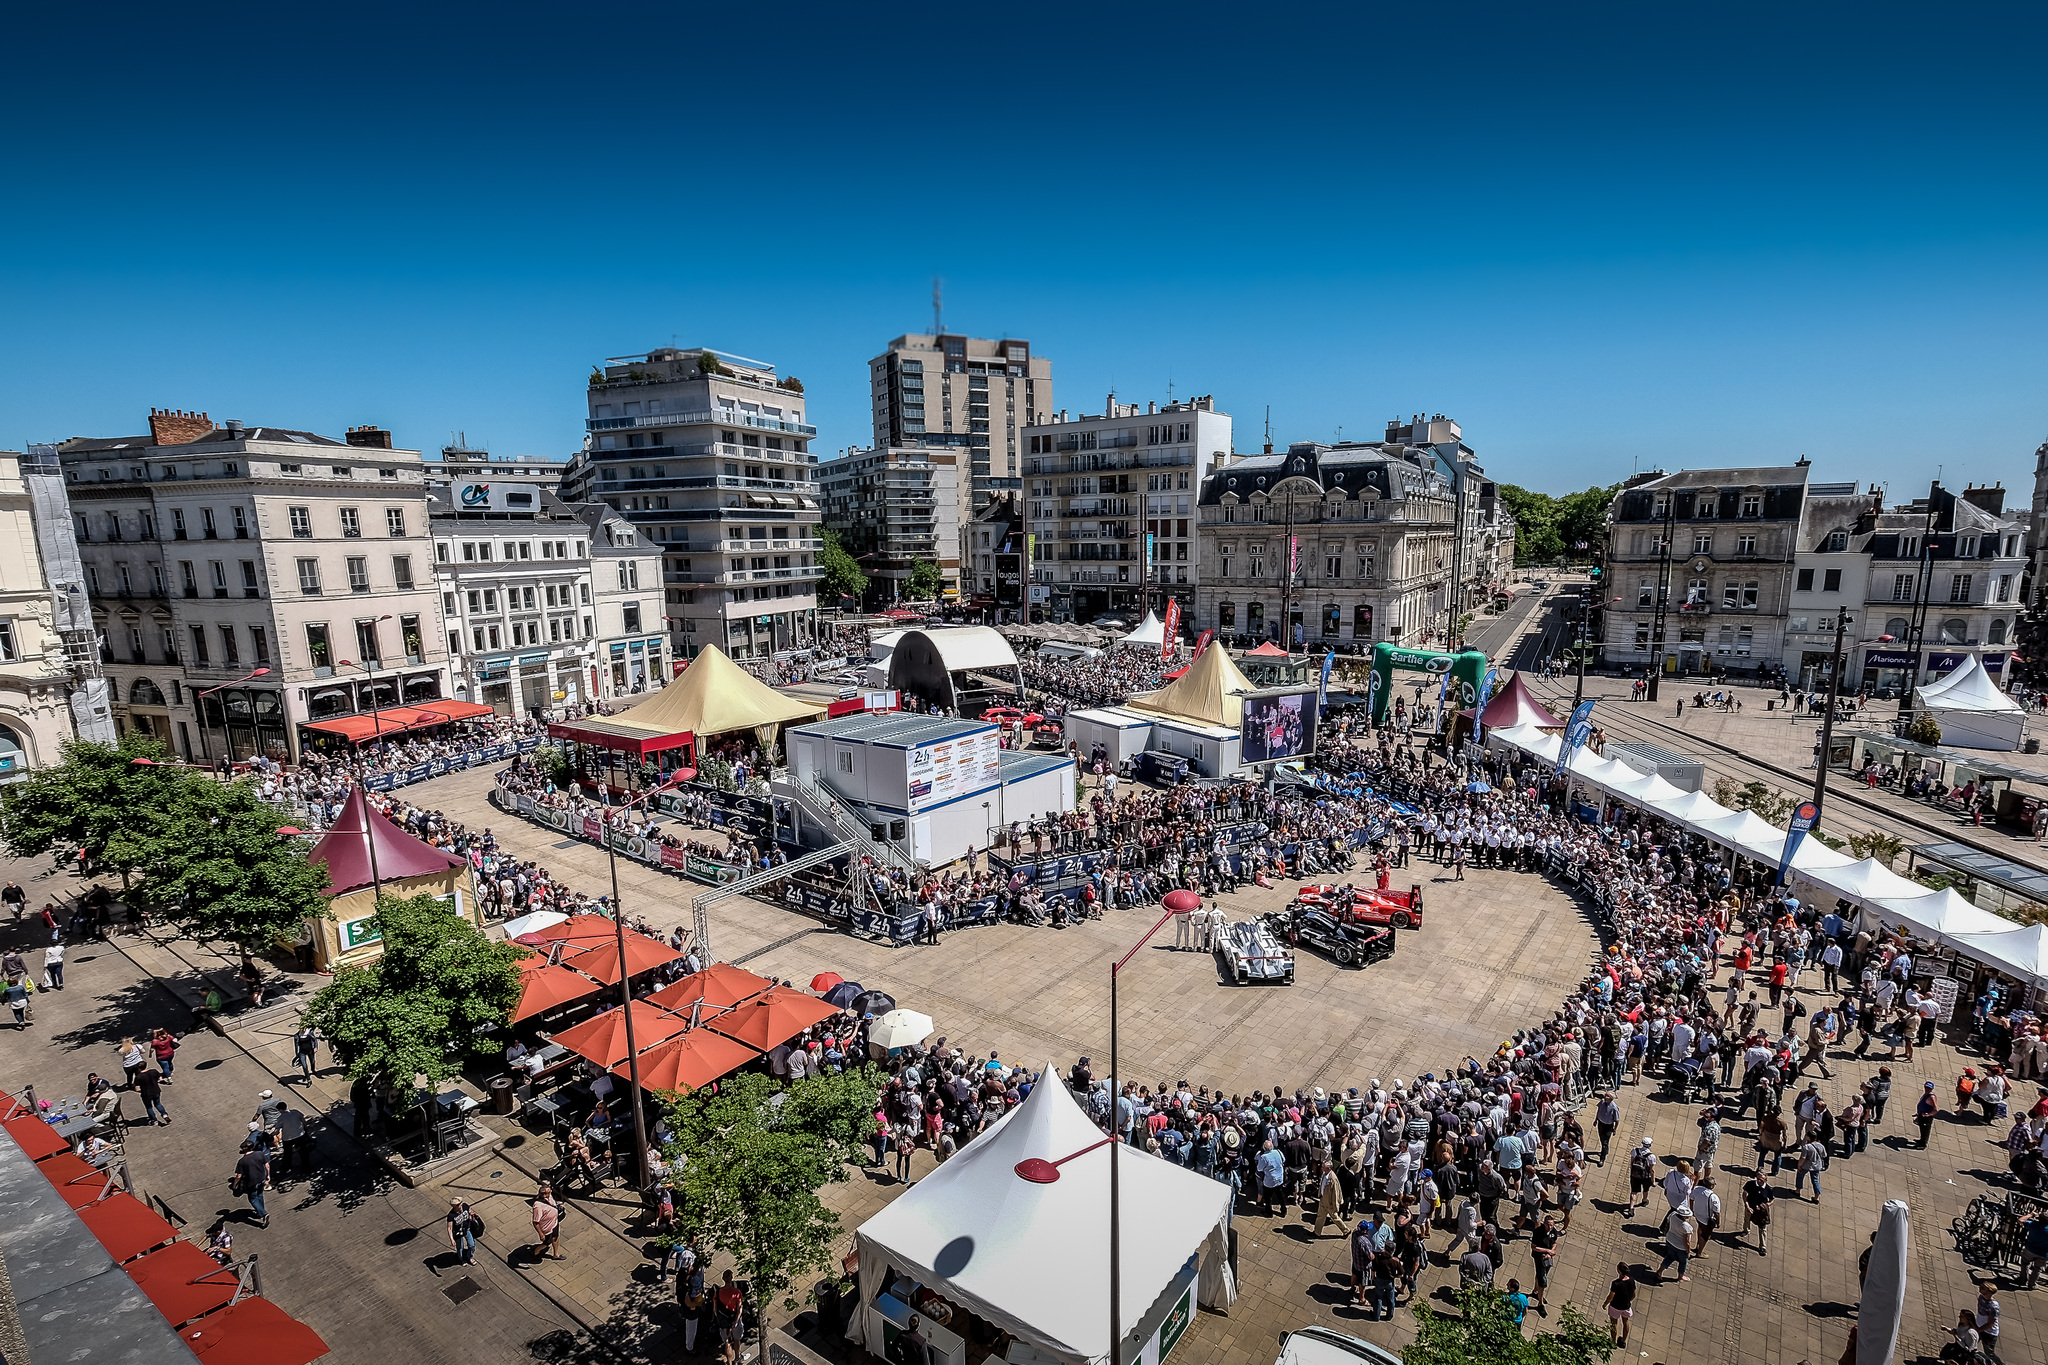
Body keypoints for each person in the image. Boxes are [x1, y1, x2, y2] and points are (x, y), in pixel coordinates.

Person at [233, 1140, 270, 1228]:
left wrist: (235, 1184)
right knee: (260, 1195)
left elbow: (239, 1175)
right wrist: (268, 1176)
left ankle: (263, 1214)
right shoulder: (260, 1154)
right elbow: (267, 1165)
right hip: (261, 1179)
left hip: (251, 1182)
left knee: (252, 1198)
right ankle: (259, 1211)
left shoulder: (242, 1161)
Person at [1529, 1214, 1560, 1316]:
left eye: (1551, 1225)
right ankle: (1540, 1303)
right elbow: (1534, 1247)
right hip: (1539, 1257)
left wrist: (1552, 1251)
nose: (1550, 1227)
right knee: (1543, 1280)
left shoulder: (1553, 1232)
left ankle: (1535, 1291)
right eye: (1548, 1225)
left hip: (1548, 1258)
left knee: (1540, 1274)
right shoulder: (1538, 1232)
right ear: (1544, 1223)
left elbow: (1555, 1242)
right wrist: (1547, 1251)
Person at [1655, 1204, 1695, 1282]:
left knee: (1670, 1257)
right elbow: (1687, 1241)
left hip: (1670, 1241)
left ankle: (1659, 1271)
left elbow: (1668, 1222)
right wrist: (1688, 1251)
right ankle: (1680, 1277)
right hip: (1680, 1247)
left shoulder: (1672, 1215)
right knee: (1683, 1262)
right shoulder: (1686, 1226)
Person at [714, 1269, 746, 1365]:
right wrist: (735, 1323)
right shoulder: (737, 1292)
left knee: (727, 1343)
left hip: (724, 1322)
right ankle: (737, 1358)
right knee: (737, 1340)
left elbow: (715, 1310)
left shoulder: (718, 1292)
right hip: (734, 1320)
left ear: (723, 1279)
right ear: (731, 1278)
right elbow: (739, 1310)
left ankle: (729, 1362)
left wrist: (720, 1320)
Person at [1603, 1262, 1637, 1347]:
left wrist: (1605, 1304)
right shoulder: (1632, 1280)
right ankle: (1623, 1341)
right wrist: (1628, 1300)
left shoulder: (1616, 1283)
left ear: (1619, 1271)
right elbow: (1634, 1294)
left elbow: (1611, 1296)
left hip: (1615, 1307)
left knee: (1614, 1323)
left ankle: (1613, 1342)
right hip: (1626, 1306)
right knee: (1625, 1321)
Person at [1740, 1171, 1774, 1255]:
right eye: (1757, 1179)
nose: (1758, 1181)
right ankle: (1746, 1230)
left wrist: (1764, 1206)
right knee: (1747, 1219)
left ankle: (1762, 1247)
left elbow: (1772, 1200)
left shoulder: (1768, 1189)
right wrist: (1747, 1206)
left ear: (1765, 1180)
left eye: (1761, 1180)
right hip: (1750, 1208)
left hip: (1761, 1212)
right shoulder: (1750, 1184)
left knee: (1762, 1228)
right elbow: (1744, 1194)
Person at [529, 1184, 563, 1260]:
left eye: (546, 1193)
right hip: (546, 1228)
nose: (544, 1196)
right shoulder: (538, 1206)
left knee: (555, 1237)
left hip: (554, 1223)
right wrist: (541, 1234)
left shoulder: (550, 1196)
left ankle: (556, 1255)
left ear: (550, 1192)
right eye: (542, 1194)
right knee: (546, 1243)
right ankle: (536, 1251)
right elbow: (535, 1222)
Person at [447, 1199, 481, 1266]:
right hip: (457, 1233)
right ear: (455, 1206)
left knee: (472, 1245)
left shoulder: (465, 1206)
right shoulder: (451, 1215)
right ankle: (462, 1259)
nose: (461, 1204)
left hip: (466, 1229)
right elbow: (449, 1227)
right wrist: (452, 1239)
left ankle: (470, 1257)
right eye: (459, 1204)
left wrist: (472, 1215)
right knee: (460, 1247)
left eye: (461, 1203)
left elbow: (469, 1211)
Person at [1917, 1081, 1940, 1148]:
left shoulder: (1931, 1097)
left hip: (1926, 1118)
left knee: (1925, 1131)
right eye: (1926, 1087)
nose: (1927, 1089)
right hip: (1921, 1115)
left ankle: (1923, 1145)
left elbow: (1936, 1109)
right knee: (1922, 1129)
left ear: (1931, 1089)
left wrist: (1928, 1115)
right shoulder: (1926, 1094)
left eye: (1929, 1088)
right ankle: (1921, 1140)